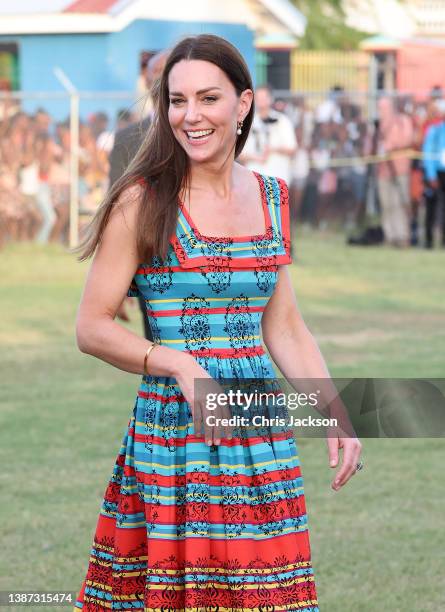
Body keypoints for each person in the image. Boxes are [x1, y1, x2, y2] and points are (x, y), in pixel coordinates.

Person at [72, 33, 362, 611]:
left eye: (208, 98)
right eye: (177, 101)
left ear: (244, 104)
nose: (191, 116)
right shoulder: (143, 200)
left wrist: (335, 411)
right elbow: (92, 326)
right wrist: (175, 360)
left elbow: (284, 328)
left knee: (268, 594)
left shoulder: (273, 197)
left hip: (261, 430)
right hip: (176, 433)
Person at [108, 50, 169, 339]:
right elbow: (115, 207)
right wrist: (116, 281)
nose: (161, 82)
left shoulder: (205, 131)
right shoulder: (127, 138)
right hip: (151, 262)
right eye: (154, 75)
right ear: (146, 81)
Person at [376, 96, 414, 248]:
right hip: (383, 170)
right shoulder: (379, 125)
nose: (381, 111)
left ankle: (402, 236)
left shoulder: (402, 121)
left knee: (400, 203)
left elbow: (408, 139)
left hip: (400, 169)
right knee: (387, 204)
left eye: (383, 107)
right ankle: (389, 236)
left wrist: (390, 146)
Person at [422, 99, 445, 248]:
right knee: (431, 207)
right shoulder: (434, 130)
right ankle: (429, 240)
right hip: (436, 173)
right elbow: (428, 152)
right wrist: (431, 175)